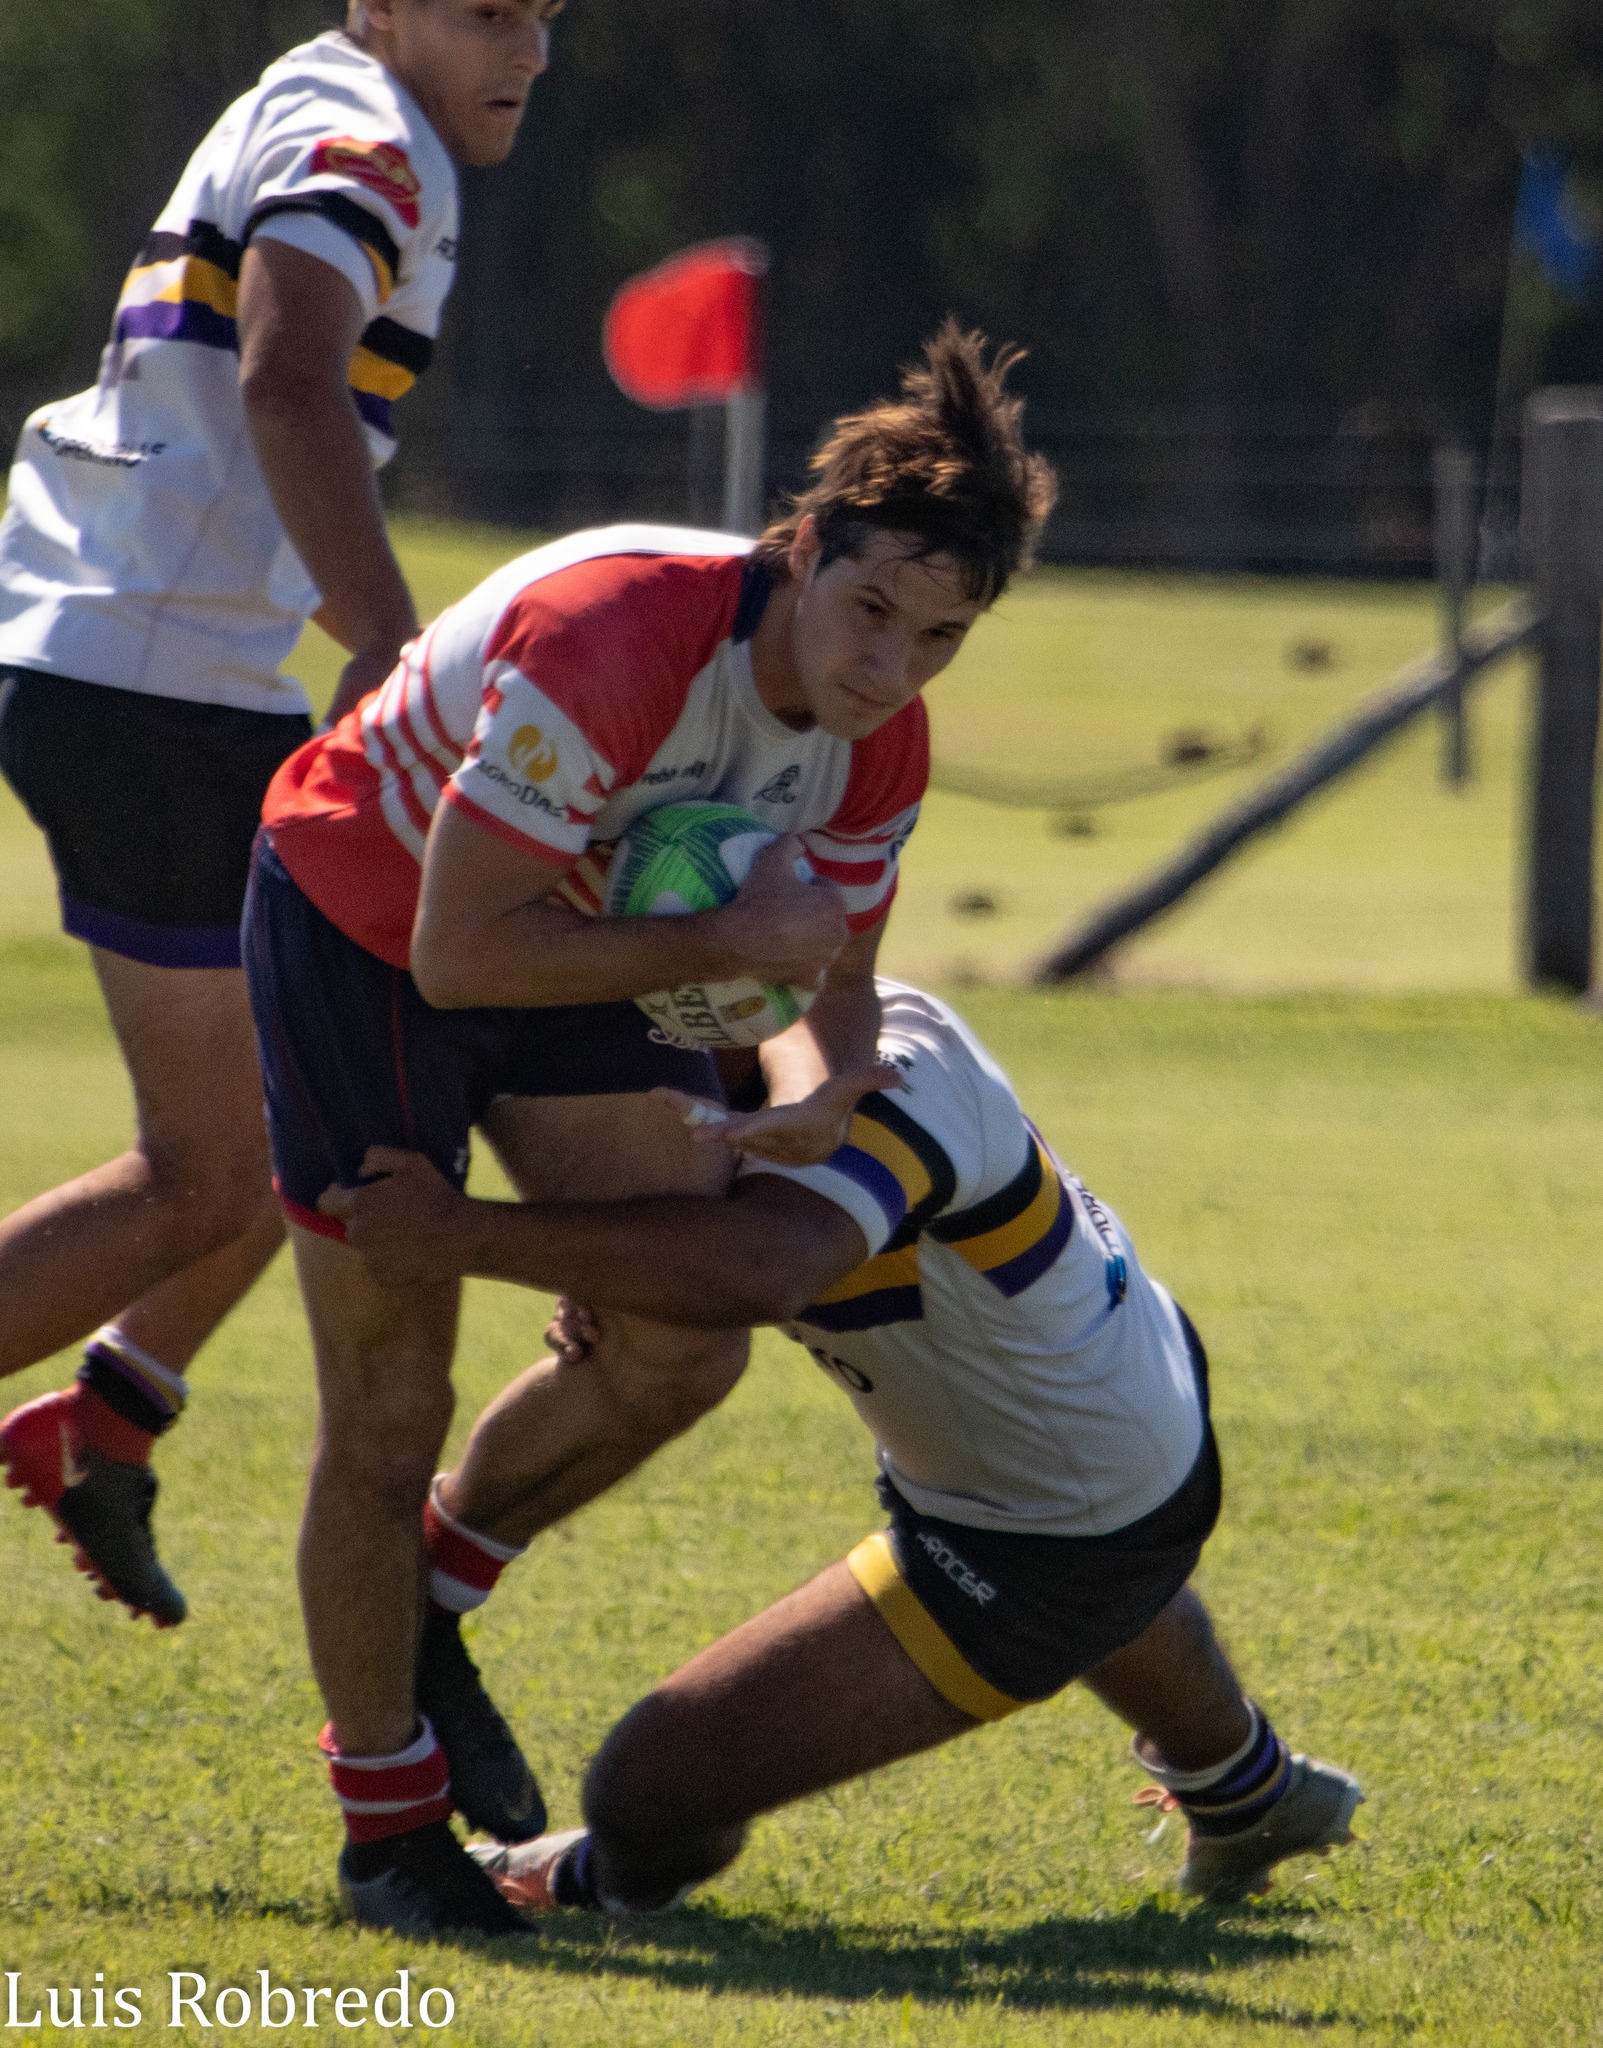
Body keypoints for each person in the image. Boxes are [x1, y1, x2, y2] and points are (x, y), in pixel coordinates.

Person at [240, 327, 1058, 1934]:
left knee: (681, 1342)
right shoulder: (613, 638)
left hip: (579, 938)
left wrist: (812, 1088)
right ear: (801, 546)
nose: (889, 666)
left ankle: (427, 1599)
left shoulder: (877, 739)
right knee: (390, 1401)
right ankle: (387, 1833)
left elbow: (834, 973)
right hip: (365, 922)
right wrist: (722, 949)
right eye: (870, 609)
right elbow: (454, 954)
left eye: (939, 637)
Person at [325, 979, 1364, 1913]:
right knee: (1094, 1561)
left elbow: (765, 1263)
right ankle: (1250, 1792)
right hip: (1108, 1406)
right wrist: (613, 1260)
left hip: (1053, 1507)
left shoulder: (888, 1071)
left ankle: (578, 1880)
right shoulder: (757, 1074)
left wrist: (467, 1232)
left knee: (643, 1787)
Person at [0, 0, 559, 1629]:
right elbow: (290, 382)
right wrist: (390, 647)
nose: (525, 48)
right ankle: (113, 1409)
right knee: (216, 1168)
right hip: (156, 689)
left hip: (134, 664)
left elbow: (247, 433)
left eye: (544, 12)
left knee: (300, 1116)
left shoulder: (324, 101)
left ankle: (115, 1411)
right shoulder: (366, 141)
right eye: (485, 10)